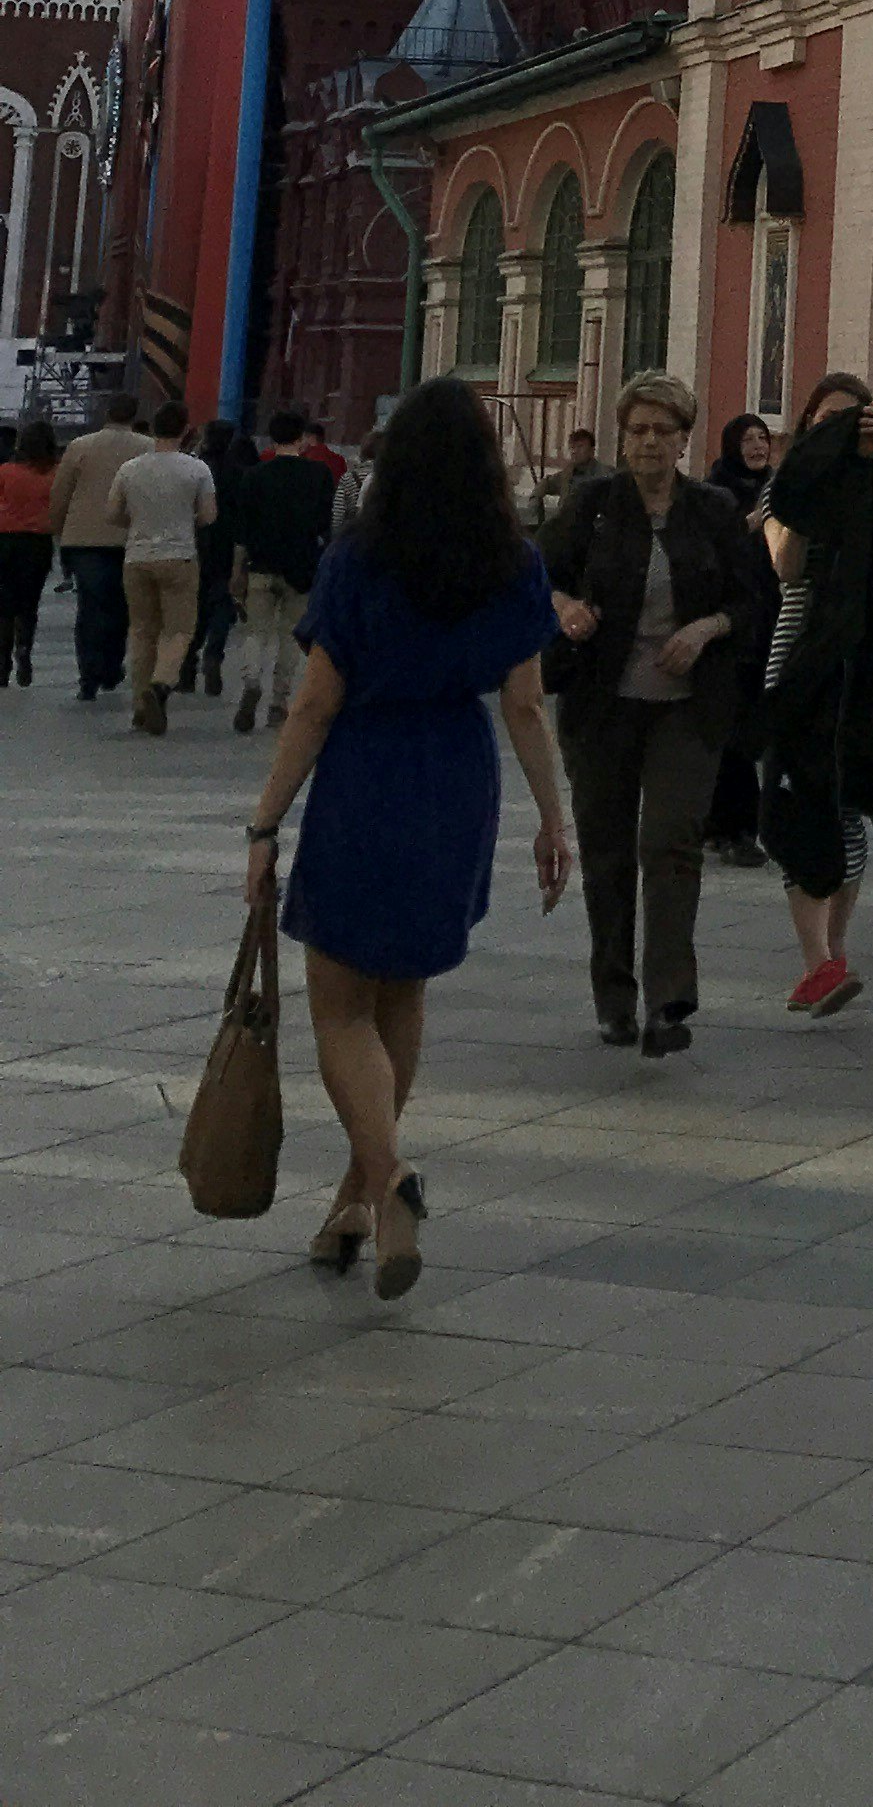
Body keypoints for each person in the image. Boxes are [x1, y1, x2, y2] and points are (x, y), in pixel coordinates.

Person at [242, 378, 566, 1296]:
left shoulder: (359, 558)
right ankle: (357, 1205)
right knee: (402, 998)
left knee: (340, 1008)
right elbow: (526, 704)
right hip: (456, 779)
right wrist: (554, 818)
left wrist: (265, 822)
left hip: (366, 775)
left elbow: (314, 703)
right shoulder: (514, 562)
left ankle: (386, 1179)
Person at [540, 370, 766, 1057]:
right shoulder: (592, 504)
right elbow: (536, 576)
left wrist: (706, 629)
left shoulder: (713, 510)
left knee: (670, 840)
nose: (648, 443)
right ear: (621, 436)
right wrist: (565, 608)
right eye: (637, 431)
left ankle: (668, 999)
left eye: (662, 432)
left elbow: (752, 600)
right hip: (601, 704)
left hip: (687, 707)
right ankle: (613, 996)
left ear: (684, 440)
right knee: (607, 849)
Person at [752, 372, 873, 1015]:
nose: (837, 430)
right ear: (808, 427)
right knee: (796, 799)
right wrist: (811, 499)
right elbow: (785, 565)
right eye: (826, 419)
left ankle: (833, 952)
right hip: (802, 653)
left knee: (852, 800)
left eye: (851, 419)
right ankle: (818, 961)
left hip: (865, 658)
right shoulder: (788, 486)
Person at [115, 405, 219, 736]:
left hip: (137, 557)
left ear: (152, 429)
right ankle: (160, 685)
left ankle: (139, 706)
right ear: (185, 430)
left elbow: (112, 513)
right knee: (179, 631)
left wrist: (138, 523)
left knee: (142, 630)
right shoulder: (197, 469)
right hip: (179, 556)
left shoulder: (130, 468)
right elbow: (209, 516)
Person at [701, 414, 777, 861]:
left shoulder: (778, 488)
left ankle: (723, 824)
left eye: (762, 438)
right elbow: (709, 552)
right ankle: (736, 830)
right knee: (734, 732)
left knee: (750, 730)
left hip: (771, 622)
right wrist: (751, 523)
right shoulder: (715, 493)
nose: (757, 446)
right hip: (729, 626)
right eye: (747, 439)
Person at [230, 405, 334, 730]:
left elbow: (242, 529)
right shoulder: (319, 475)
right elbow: (325, 525)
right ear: (303, 438)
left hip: (261, 564)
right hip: (301, 567)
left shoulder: (254, 476)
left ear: (271, 439)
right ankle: (278, 702)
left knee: (255, 631)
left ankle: (251, 681)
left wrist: (237, 571)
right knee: (290, 635)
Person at [47, 399, 141, 702]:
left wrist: (58, 531)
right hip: (130, 537)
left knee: (90, 607)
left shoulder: (80, 446)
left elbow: (61, 494)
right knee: (122, 606)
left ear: (106, 414)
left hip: (85, 539)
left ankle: (88, 676)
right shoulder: (147, 447)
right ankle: (112, 667)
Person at [179, 416, 247, 700]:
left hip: (195, 542)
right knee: (222, 604)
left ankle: (187, 664)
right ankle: (214, 654)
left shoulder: (194, 467)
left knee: (194, 606)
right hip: (226, 545)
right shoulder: (239, 472)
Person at [0, 411, 57, 685]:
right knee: (29, 604)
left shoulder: (5, 472)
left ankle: (2, 664)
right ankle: (24, 648)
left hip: (5, 541)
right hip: (38, 543)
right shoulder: (55, 474)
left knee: (4, 605)